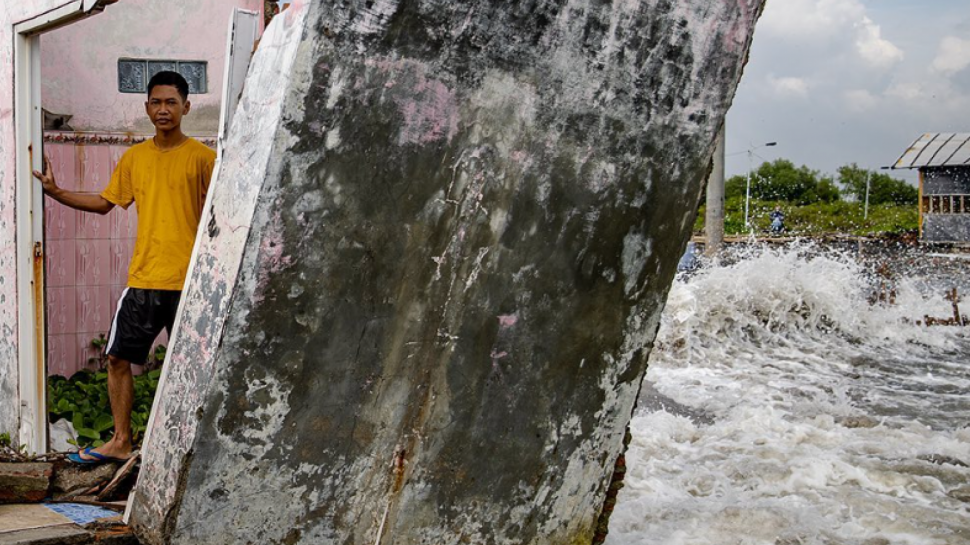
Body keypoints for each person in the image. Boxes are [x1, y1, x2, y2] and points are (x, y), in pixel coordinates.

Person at [33, 71, 216, 464]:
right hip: (146, 279)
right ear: (146, 107)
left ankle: (199, 448)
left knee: (201, 369)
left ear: (186, 106)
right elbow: (104, 203)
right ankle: (120, 441)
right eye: (156, 102)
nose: (163, 109)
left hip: (192, 283)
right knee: (117, 359)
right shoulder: (135, 158)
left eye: (171, 102)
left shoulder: (205, 159)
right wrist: (56, 191)